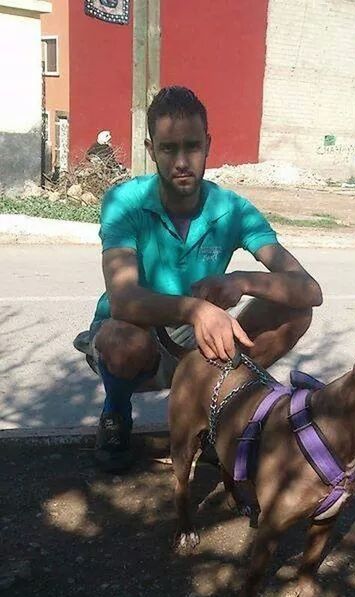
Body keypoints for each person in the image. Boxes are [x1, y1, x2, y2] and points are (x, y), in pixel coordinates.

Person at [74, 86, 322, 471]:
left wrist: (242, 281)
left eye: (191, 146)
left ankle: (215, 416)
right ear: (150, 148)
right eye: (168, 149)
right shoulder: (124, 201)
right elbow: (122, 299)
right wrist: (196, 310)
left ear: (208, 145)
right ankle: (115, 415)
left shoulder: (233, 209)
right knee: (121, 338)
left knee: (295, 312)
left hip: (201, 342)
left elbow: (309, 290)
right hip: (139, 332)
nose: (181, 161)